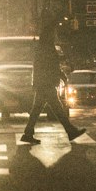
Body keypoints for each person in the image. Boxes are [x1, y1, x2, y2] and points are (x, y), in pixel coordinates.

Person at [19, 13, 86, 145]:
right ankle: (70, 130)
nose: (55, 36)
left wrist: (60, 74)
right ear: (49, 34)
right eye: (53, 33)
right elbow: (49, 63)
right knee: (56, 108)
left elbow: (51, 63)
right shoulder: (46, 47)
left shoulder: (45, 46)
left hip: (43, 81)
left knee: (39, 109)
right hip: (46, 81)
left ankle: (28, 133)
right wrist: (60, 71)